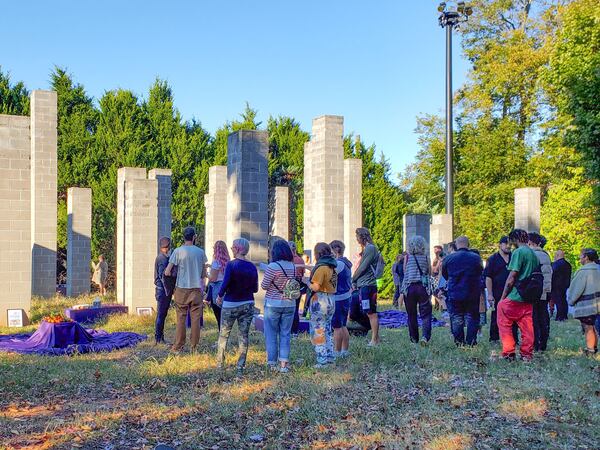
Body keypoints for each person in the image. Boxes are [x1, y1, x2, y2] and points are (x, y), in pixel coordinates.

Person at [215, 238, 258, 375]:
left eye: (233, 247)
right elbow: (255, 289)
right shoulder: (252, 266)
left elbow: (225, 283)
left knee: (224, 334)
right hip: (248, 303)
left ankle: (220, 363)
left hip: (231, 303)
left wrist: (219, 296)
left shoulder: (231, 265)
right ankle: (240, 365)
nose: (231, 249)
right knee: (243, 335)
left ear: (238, 249)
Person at [164, 226, 207, 353]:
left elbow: (167, 271)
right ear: (194, 237)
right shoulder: (200, 252)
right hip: (196, 289)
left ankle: (178, 346)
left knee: (181, 318)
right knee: (195, 319)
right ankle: (194, 347)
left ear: (183, 237)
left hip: (181, 288)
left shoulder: (177, 251)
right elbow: (203, 273)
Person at [497, 229, 538, 361]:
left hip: (515, 295)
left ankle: (509, 352)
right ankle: (527, 354)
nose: (509, 244)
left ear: (514, 239)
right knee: (527, 327)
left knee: (504, 323)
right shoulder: (533, 253)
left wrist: (502, 298)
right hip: (528, 296)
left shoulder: (518, 252)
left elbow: (511, 278)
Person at [261, 240, 297, 372]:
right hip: (290, 303)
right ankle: (284, 364)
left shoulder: (272, 266)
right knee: (285, 334)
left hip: (273, 303)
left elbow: (264, 285)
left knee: (271, 334)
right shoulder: (293, 266)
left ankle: (271, 363)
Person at [441, 236, 483, 346]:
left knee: (456, 317)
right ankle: (471, 341)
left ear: (456, 244)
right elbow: (480, 272)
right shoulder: (476, 258)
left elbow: (445, 275)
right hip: (472, 291)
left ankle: (459, 342)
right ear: (468, 244)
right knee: (472, 317)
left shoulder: (449, 258)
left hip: (455, 291)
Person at [308, 242, 338, 367]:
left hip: (320, 300)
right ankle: (330, 356)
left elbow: (316, 286)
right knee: (327, 330)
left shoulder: (321, 268)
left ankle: (321, 359)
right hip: (331, 299)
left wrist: (306, 282)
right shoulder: (332, 267)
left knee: (318, 329)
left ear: (318, 254)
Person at [484, 236, 518, 343]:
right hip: (497, 292)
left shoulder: (514, 258)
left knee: (513, 316)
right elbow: (488, 277)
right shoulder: (492, 259)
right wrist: (489, 294)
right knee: (496, 316)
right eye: (506, 244)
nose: (508, 246)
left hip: (513, 292)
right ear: (500, 244)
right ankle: (494, 338)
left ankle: (513, 339)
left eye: (510, 244)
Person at [351, 227, 381, 346]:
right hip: (364, 285)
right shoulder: (368, 248)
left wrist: (353, 278)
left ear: (362, 236)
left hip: (368, 285)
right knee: (367, 311)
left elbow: (363, 267)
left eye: (357, 236)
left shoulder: (370, 248)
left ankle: (375, 339)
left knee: (371, 312)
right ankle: (375, 337)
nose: (357, 239)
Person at [568, 248, 600, 355]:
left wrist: (571, 301)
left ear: (586, 257)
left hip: (587, 305)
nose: (579, 258)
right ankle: (594, 347)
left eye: (581, 256)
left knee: (588, 327)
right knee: (596, 327)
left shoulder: (583, 271)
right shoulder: (598, 268)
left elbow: (576, 289)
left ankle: (590, 350)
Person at [401, 236, 432, 344]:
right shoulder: (426, 257)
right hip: (422, 287)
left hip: (410, 288)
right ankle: (425, 337)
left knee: (411, 314)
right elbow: (429, 272)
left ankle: (414, 338)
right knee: (426, 314)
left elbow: (405, 272)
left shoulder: (407, 257)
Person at [528, 232, 553, 352]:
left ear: (530, 243)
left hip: (534, 291)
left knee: (533, 319)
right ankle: (543, 343)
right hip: (545, 291)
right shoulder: (546, 255)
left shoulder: (532, 255)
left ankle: (535, 343)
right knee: (543, 317)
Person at [330, 240, 352, 358]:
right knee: (343, 325)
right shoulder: (346, 263)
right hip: (346, 297)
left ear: (337, 249)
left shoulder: (339, 263)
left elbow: (328, 276)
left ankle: (337, 351)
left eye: (331, 250)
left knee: (337, 326)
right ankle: (345, 350)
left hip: (338, 298)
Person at [206, 241, 230, 331]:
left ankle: (221, 338)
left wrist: (205, 273)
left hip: (217, 289)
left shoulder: (216, 262)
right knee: (224, 316)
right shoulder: (228, 261)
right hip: (225, 288)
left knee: (218, 314)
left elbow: (213, 278)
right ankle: (224, 336)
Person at [154, 237, 172, 345]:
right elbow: (163, 276)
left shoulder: (163, 257)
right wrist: (169, 289)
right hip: (162, 290)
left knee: (162, 314)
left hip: (162, 290)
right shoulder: (162, 259)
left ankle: (160, 337)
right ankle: (158, 338)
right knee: (161, 314)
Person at [289, 241, 306, 335]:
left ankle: (288, 330)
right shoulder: (300, 260)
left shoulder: (287, 260)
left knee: (288, 309)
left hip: (289, 284)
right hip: (298, 285)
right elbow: (302, 274)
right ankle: (295, 331)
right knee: (296, 309)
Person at [551, 250, 572, 321]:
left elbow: (552, 274)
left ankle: (559, 316)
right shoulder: (568, 264)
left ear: (557, 255)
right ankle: (564, 315)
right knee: (563, 300)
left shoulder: (555, 264)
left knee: (558, 301)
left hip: (556, 285)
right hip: (565, 285)